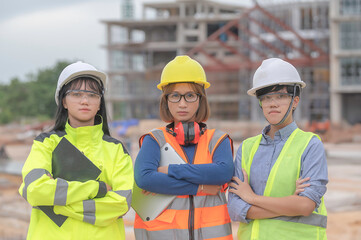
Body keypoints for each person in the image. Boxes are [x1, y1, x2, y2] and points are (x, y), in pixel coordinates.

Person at [18, 61, 134, 239]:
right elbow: (34, 190)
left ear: (99, 102)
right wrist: (97, 189)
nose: (85, 101)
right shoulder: (46, 143)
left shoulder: (116, 150)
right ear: (63, 101)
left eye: (93, 95)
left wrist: (55, 204)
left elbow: (121, 204)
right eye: (76, 94)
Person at [133, 55, 234, 239]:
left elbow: (223, 173)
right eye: (175, 96)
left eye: (189, 95)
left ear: (200, 99)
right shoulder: (154, 139)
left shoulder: (218, 139)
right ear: (166, 100)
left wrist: (169, 170)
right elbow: (145, 179)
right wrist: (200, 188)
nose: (182, 104)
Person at [227, 58, 328, 239]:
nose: (273, 103)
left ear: (295, 101)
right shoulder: (246, 148)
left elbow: (305, 206)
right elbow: (235, 209)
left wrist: (252, 198)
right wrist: (290, 204)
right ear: (260, 103)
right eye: (266, 98)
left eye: (280, 96)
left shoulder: (310, 145)